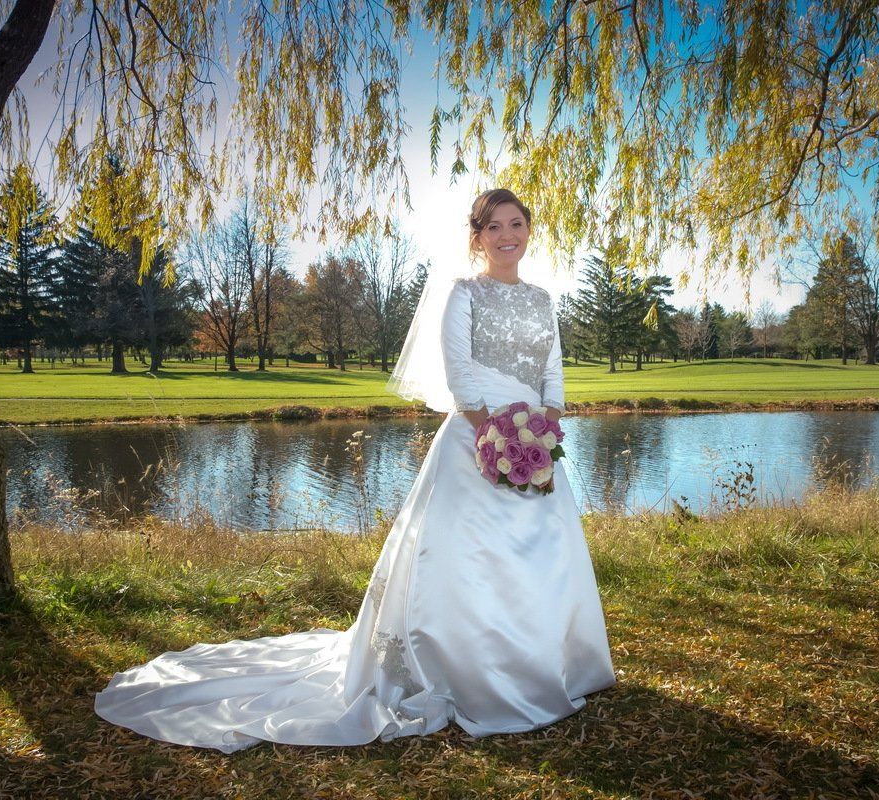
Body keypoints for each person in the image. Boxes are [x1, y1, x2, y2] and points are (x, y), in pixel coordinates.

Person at [94, 188, 615, 752]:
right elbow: (460, 371)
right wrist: (496, 436)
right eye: (494, 227)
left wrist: (544, 429)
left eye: (516, 223)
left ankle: (549, 665)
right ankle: (468, 674)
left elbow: (553, 372)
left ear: (529, 228)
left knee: (543, 555)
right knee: (470, 560)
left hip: (538, 446)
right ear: (477, 236)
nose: (507, 235)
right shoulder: (462, 293)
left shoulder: (542, 300)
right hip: (475, 439)